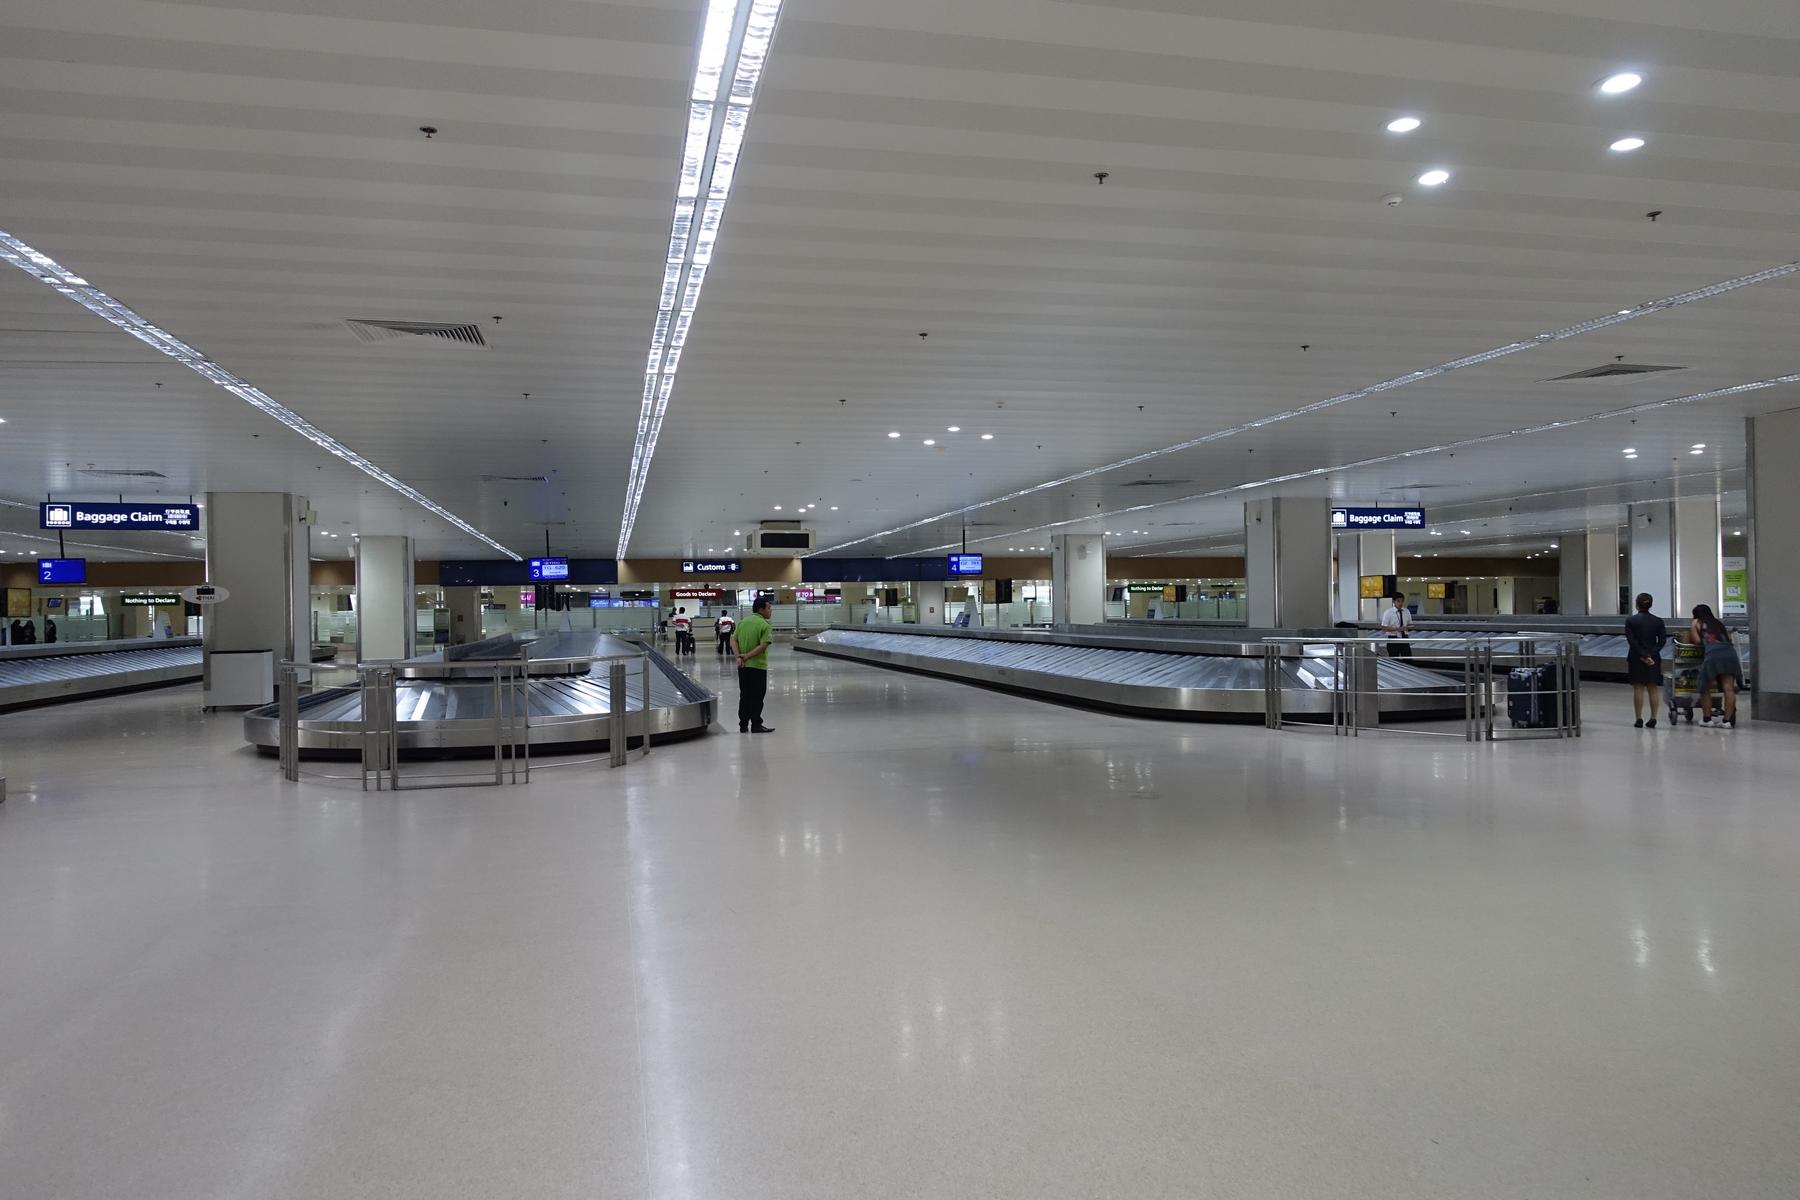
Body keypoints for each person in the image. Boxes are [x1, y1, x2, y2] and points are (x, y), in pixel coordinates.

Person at [1688, 603, 1743, 727]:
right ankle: (1727, 721)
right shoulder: (1718, 624)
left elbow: (1697, 641)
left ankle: (1707, 719)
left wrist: (1693, 626)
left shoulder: (1698, 623)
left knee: (1704, 686)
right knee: (1728, 688)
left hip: (1713, 655)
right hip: (1730, 653)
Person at [1623, 592, 1667, 729]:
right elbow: (1662, 641)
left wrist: (1642, 655)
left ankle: (1638, 718)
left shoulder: (1631, 621)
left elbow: (1632, 641)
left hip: (1636, 657)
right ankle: (1653, 717)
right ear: (1651, 604)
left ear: (1637, 604)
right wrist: (1651, 655)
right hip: (1654, 659)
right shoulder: (1658, 621)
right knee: (1653, 687)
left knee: (1638, 687)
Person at [733, 595, 775, 733]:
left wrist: (739, 657)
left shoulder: (742, 622)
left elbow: (733, 640)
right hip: (758, 666)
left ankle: (743, 725)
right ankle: (756, 724)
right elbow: (763, 646)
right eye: (769, 608)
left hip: (743, 667)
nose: (770, 611)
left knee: (745, 695)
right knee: (757, 696)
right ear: (761, 609)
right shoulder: (764, 625)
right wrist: (747, 656)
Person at [1380, 592, 1413, 657]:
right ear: (1394, 601)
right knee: (1394, 659)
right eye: (1398, 601)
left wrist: (1407, 627)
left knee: (1408, 659)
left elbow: (1411, 625)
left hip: (1404, 638)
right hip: (1393, 638)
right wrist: (1397, 629)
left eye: (1402, 601)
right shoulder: (1388, 612)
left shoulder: (1406, 611)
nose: (1400, 603)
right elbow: (1383, 628)